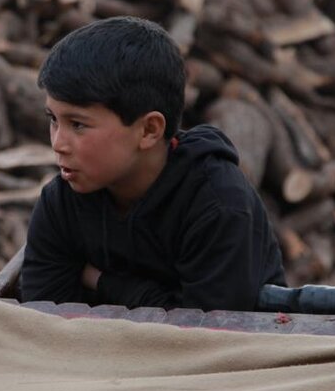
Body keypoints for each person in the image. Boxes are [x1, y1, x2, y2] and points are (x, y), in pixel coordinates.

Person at [20, 16, 285, 311]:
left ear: (148, 130)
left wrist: (104, 282)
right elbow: (44, 324)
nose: (58, 143)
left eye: (78, 125)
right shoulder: (62, 204)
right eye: (53, 120)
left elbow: (206, 336)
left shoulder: (217, 205)